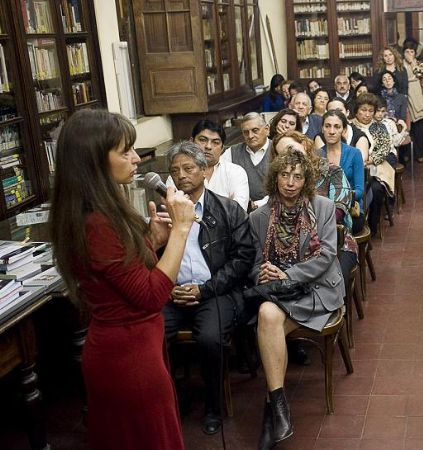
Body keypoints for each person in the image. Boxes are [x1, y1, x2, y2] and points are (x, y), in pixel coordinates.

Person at [50, 109, 195, 450]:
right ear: (95, 162)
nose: (136, 158)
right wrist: (181, 232)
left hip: (136, 346)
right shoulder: (97, 222)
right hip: (128, 362)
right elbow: (151, 295)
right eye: (125, 151)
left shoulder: (100, 210)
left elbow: (122, 271)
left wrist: (155, 240)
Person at [250, 150, 345, 450]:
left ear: (306, 181)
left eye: (298, 176)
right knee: (267, 314)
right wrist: (263, 273)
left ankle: (271, 414)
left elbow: (327, 255)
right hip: (279, 296)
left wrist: (286, 274)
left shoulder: (323, 207)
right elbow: (251, 265)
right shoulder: (259, 216)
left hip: (317, 290)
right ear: (274, 177)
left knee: (267, 326)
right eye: (284, 175)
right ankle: (279, 406)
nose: (290, 182)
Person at [162, 141, 256, 436]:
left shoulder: (227, 210)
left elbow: (242, 259)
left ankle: (214, 407)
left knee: (211, 339)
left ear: (204, 170)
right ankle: (170, 401)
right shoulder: (165, 213)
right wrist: (166, 288)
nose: (181, 176)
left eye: (188, 169)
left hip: (215, 292)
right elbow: (151, 256)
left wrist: (205, 290)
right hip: (173, 293)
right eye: (175, 171)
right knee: (151, 335)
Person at [271, 131, 358, 278]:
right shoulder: (281, 179)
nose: (291, 158)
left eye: (292, 149)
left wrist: (305, 228)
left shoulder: (331, 171)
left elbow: (339, 209)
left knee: (331, 278)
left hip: (334, 240)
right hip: (288, 244)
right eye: (283, 155)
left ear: (304, 145)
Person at [166, 119, 249, 211]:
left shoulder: (236, 172)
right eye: (203, 140)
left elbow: (239, 211)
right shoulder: (178, 176)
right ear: (191, 142)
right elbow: (173, 210)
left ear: (222, 148)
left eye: (215, 142)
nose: (208, 147)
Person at [351, 93, 397, 234]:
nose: (367, 114)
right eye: (363, 110)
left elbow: (384, 149)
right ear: (357, 110)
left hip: (375, 166)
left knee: (376, 189)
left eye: (371, 111)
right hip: (353, 166)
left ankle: (372, 226)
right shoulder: (349, 126)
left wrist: (368, 160)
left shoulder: (379, 127)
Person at [320, 110, 366, 233]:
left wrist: (340, 198)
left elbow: (360, 190)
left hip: (351, 210)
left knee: (331, 228)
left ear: (344, 130)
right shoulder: (316, 155)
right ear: (322, 128)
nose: (331, 131)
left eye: (337, 127)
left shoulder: (354, 153)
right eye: (327, 126)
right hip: (321, 210)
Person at [222, 111, 271, 210]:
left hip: (272, 208)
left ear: (267, 129)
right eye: (246, 132)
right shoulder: (232, 152)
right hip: (241, 210)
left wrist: (258, 204)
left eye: (255, 130)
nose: (250, 136)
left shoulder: (278, 149)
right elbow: (220, 178)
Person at [402, 41, 423, 162]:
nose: (409, 54)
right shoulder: (399, 64)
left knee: (420, 127)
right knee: (407, 126)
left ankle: (419, 153)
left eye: (412, 51)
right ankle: (406, 153)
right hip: (405, 97)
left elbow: (420, 72)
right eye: (407, 51)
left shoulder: (419, 63)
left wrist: (413, 63)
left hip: (418, 97)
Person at [319, 97, 370, 162]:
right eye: (331, 111)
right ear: (326, 113)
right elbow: (321, 162)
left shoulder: (359, 136)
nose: (335, 114)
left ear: (347, 112)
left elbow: (360, 161)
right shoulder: (321, 136)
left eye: (339, 110)